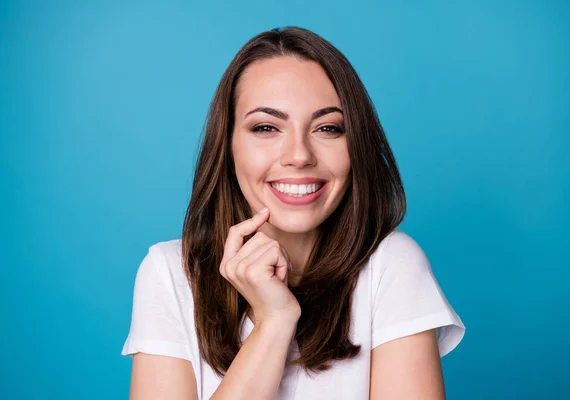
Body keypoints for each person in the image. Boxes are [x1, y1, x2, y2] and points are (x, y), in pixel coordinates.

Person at [121, 26, 466, 399]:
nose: (299, 155)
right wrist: (273, 323)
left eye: (328, 128)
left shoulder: (391, 265)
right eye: (267, 127)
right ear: (228, 146)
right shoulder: (170, 272)